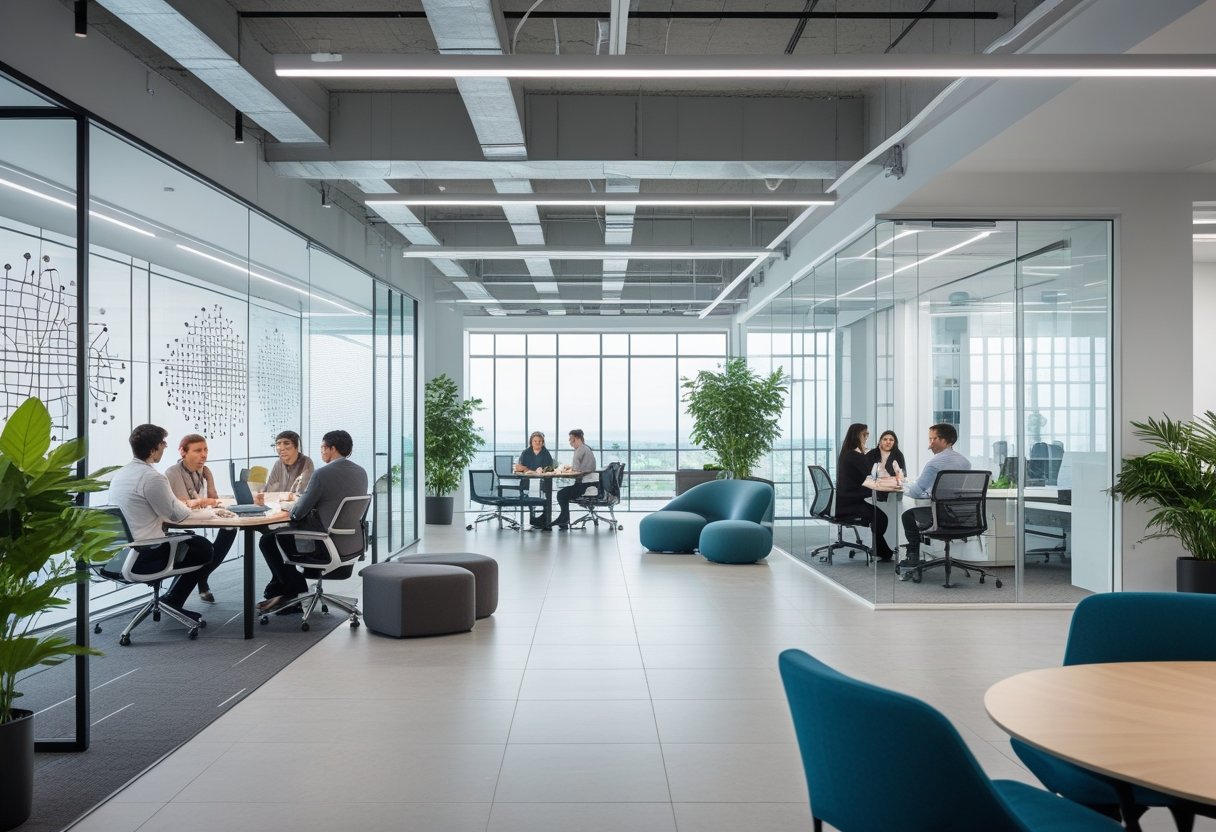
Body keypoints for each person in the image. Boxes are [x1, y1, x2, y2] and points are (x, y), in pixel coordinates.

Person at [107, 424, 214, 620]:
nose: (165, 447)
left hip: (117, 554)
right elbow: (177, 515)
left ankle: (172, 599)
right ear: (154, 448)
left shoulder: (121, 475)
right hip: (144, 554)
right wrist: (196, 506)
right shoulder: (152, 477)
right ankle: (173, 600)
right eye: (163, 444)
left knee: (192, 542)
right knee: (203, 548)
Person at [257, 430, 368, 612]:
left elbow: (298, 513)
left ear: (332, 449)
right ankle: (279, 592)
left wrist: (286, 505)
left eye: (323, 447)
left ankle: (293, 591)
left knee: (268, 540)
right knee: (276, 537)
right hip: (352, 543)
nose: (322, 452)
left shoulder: (322, 474)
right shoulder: (361, 472)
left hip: (323, 543)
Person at [897, 422, 972, 580]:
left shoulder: (934, 463)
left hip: (939, 516)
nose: (930, 444)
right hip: (959, 516)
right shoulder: (965, 462)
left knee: (907, 515)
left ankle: (913, 557)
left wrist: (902, 485)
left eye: (933, 439)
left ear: (945, 440)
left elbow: (916, 492)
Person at [164, 434, 233, 603]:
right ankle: (200, 579)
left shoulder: (201, 470)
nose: (204, 455)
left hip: (194, 518)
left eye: (205, 450)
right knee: (203, 548)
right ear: (182, 452)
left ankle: (202, 576)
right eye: (198, 451)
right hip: (176, 524)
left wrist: (209, 479)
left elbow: (213, 500)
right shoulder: (172, 473)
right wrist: (201, 502)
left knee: (230, 530)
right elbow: (175, 505)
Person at [834, 423, 894, 562]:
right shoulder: (854, 455)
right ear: (857, 436)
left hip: (845, 500)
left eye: (867, 434)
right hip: (849, 504)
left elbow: (866, 476)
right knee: (880, 518)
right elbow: (871, 474)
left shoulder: (847, 453)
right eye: (864, 434)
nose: (867, 437)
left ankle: (882, 550)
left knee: (879, 517)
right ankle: (882, 551)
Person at [549, 428, 598, 530]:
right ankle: (564, 519)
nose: (570, 443)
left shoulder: (579, 450)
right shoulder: (586, 448)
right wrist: (570, 468)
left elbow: (576, 470)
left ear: (575, 439)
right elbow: (581, 468)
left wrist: (563, 471)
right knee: (564, 493)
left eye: (570, 440)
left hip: (585, 485)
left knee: (561, 494)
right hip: (592, 483)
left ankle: (564, 519)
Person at [255, 430, 315, 504]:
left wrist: (283, 497)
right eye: (278, 444)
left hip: (296, 510)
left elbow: (302, 495)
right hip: (277, 507)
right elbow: (268, 491)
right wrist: (261, 496)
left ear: (296, 447)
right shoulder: (278, 463)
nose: (281, 448)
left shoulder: (306, 462)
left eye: (286, 443)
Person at [865, 430, 907, 503]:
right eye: (885, 439)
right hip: (874, 491)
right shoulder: (872, 454)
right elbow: (864, 473)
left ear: (894, 442)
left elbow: (903, 474)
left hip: (893, 492)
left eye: (891, 440)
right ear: (880, 441)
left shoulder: (898, 455)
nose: (888, 442)